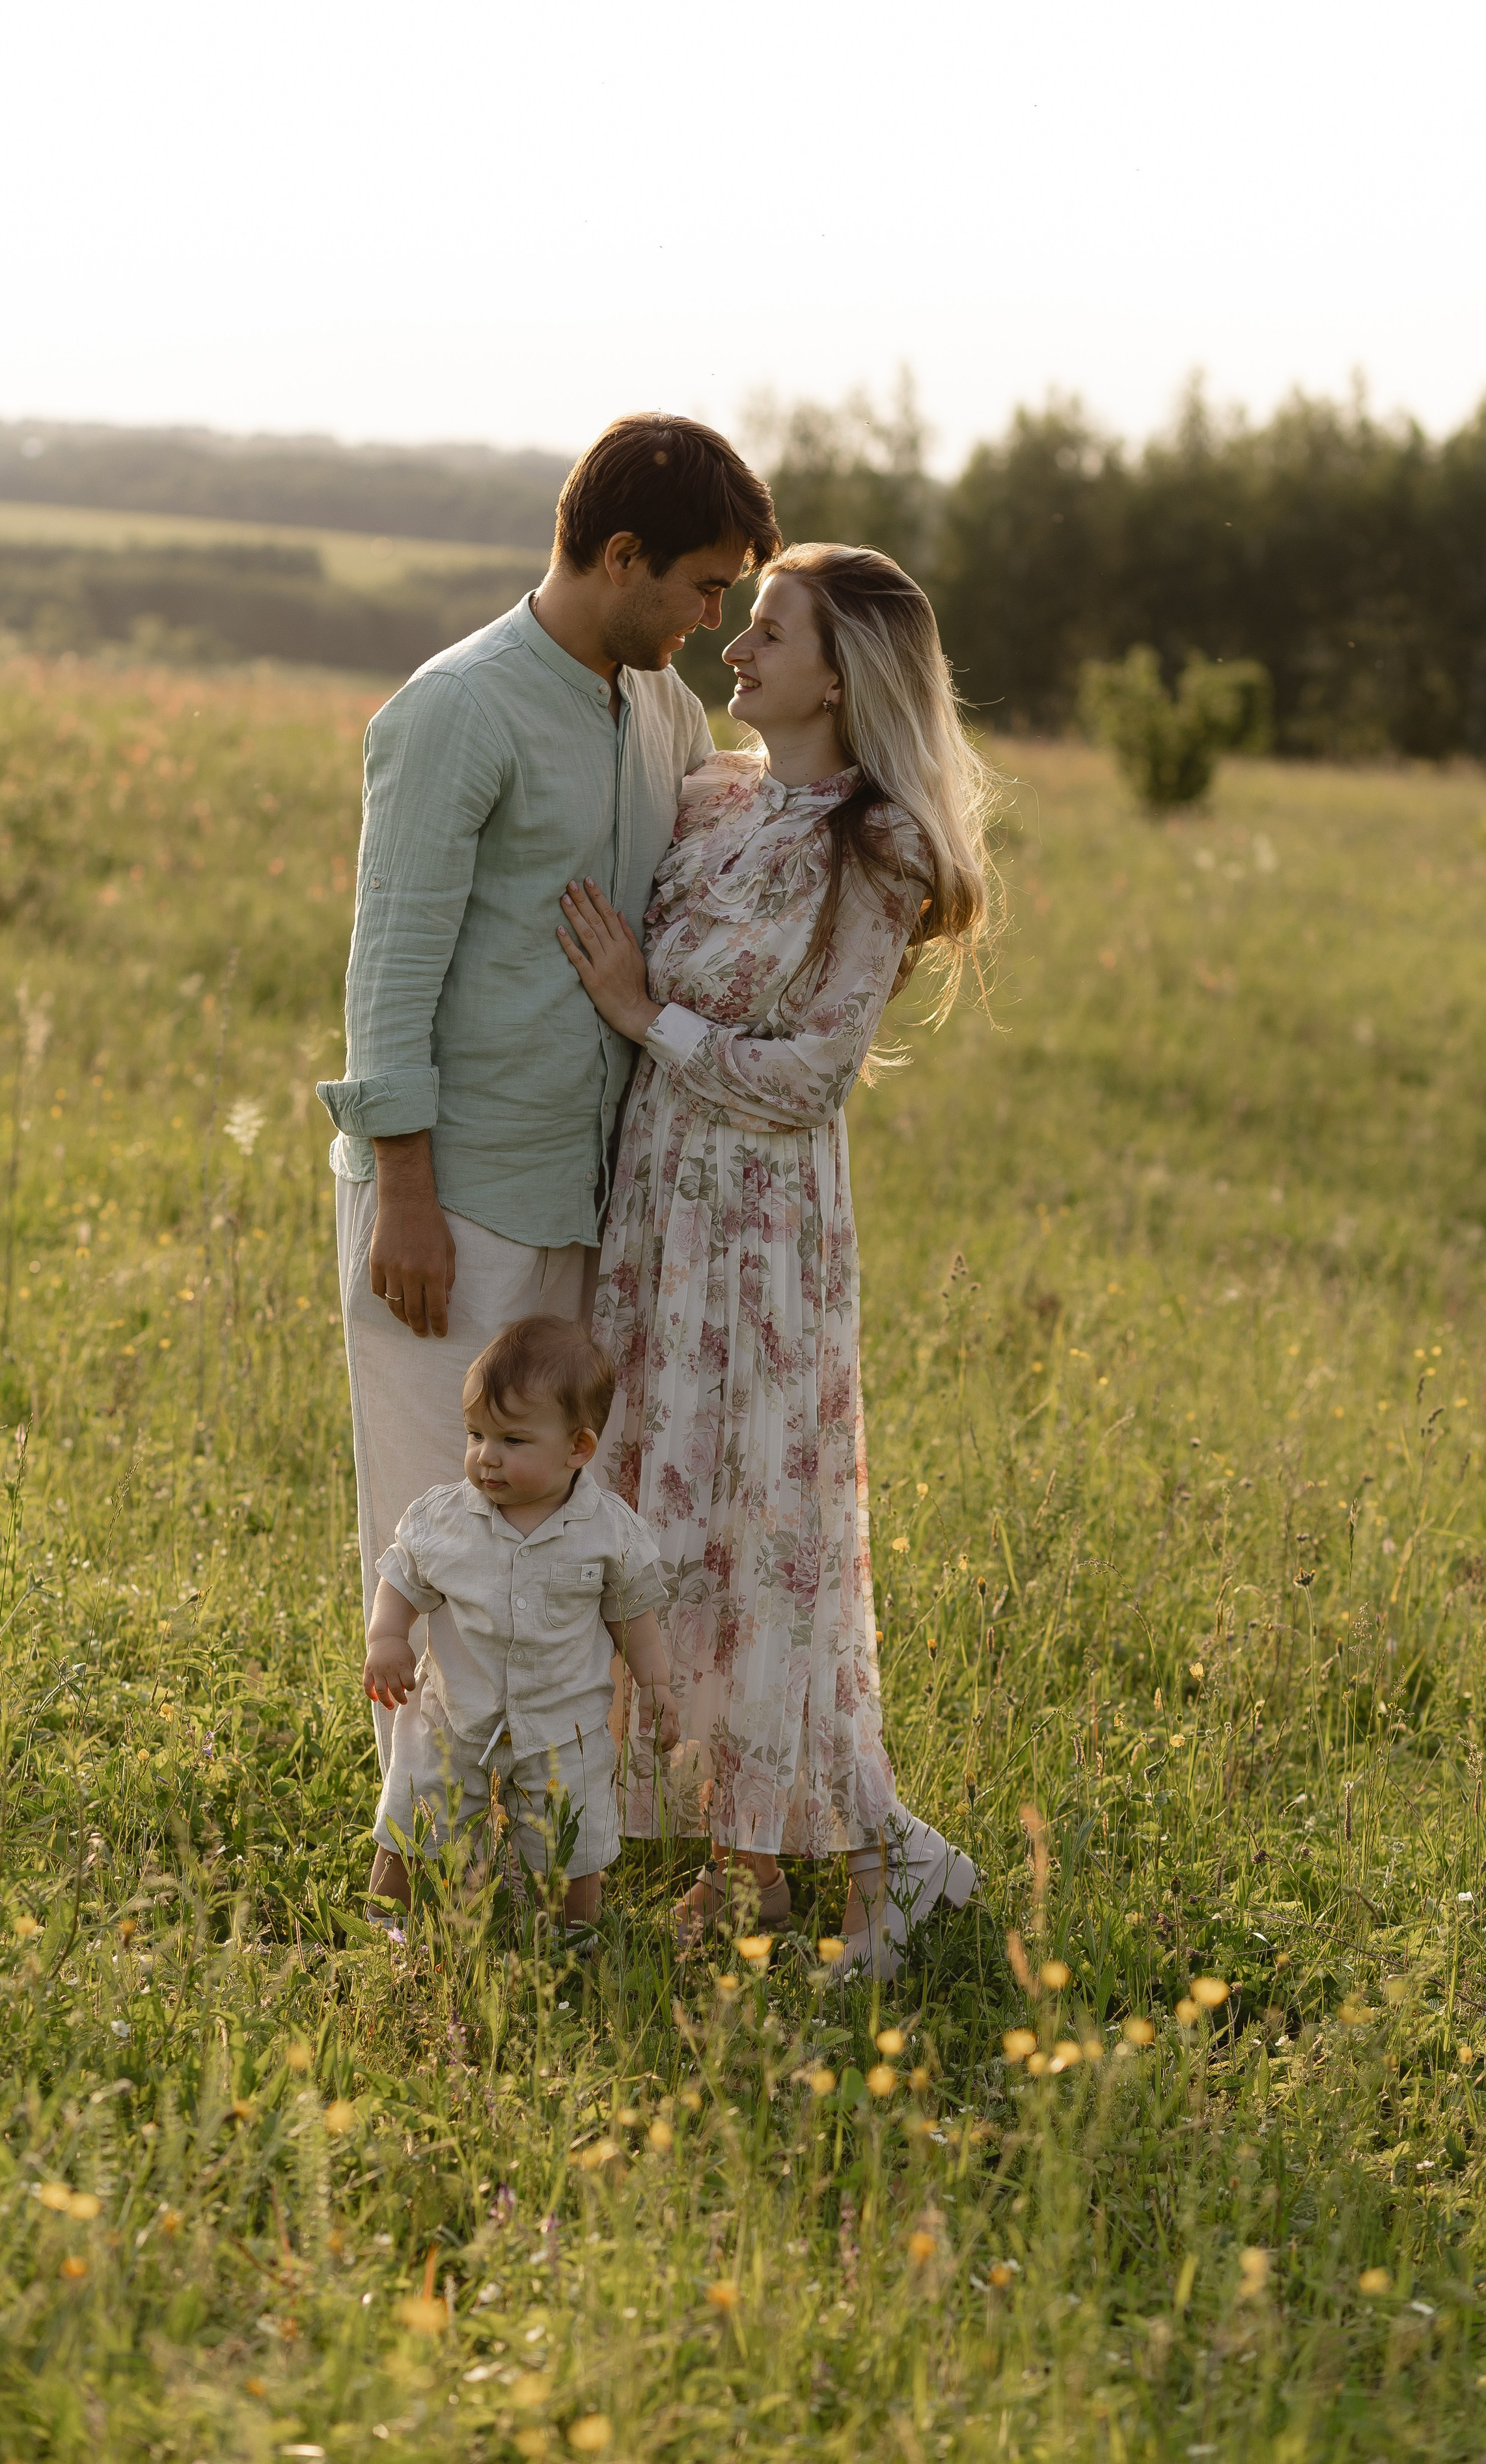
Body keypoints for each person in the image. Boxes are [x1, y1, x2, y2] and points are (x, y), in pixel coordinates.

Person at [316, 415, 779, 1782]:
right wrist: (403, 1195)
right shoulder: (456, 705)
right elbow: (388, 969)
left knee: (556, 1547)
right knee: (441, 1540)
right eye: (699, 586)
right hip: (447, 1202)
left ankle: (544, 1842)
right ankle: (428, 1873)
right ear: (620, 553)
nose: (711, 619)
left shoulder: (663, 712)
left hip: (591, 1196)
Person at [557, 542, 996, 1975]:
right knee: (659, 1514)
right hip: (657, 1208)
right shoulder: (714, 797)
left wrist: (641, 1016)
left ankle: (851, 1857)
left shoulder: (879, 850)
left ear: (839, 671)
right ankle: (733, 1852)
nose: (732, 652)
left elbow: (810, 1076)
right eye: (739, 626)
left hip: (761, 1231)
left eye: (766, 632)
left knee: (763, 1525)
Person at [363, 1314, 678, 1930]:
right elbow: (402, 1577)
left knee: (572, 1842)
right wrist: (386, 1636)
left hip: (565, 1728)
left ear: (578, 1448)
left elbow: (632, 1617)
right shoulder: (446, 1519)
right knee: (413, 1816)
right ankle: (383, 1925)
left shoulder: (608, 1531)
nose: (486, 1458)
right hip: (453, 1718)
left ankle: (573, 1936)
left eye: (511, 1440)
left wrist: (657, 1683)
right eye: (476, 1435)